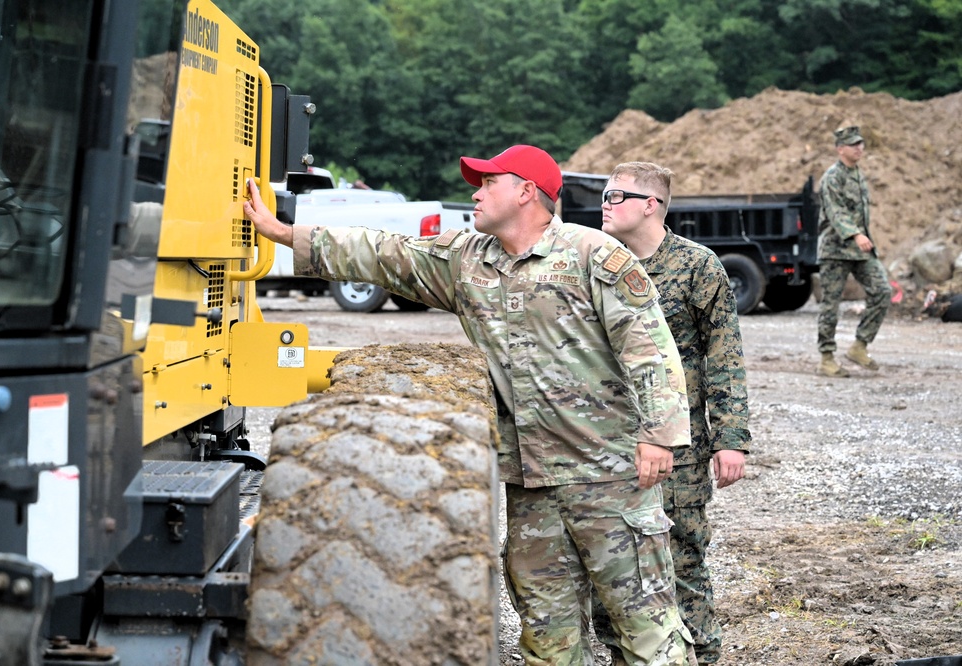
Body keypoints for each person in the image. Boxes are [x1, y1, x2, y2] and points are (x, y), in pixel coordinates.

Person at [243, 144, 696, 665]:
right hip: (531, 485)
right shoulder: (468, 259)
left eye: (487, 183)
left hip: (610, 475)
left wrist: (658, 436)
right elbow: (386, 252)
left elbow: (650, 349)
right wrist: (285, 236)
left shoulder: (595, 255)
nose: (475, 194)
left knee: (646, 628)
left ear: (527, 192)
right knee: (548, 635)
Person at [586, 162, 750, 665]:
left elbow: (723, 354)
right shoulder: (595, 263)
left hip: (680, 446)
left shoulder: (697, 266)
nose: (605, 204)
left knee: (682, 558)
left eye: (617, 196)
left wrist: (731, 439)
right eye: (605, 195)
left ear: (651, 204)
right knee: (611, 564)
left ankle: (700, 655)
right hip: (608, 442)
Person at [816, 125, 892, 377]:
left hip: (860, 250)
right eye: (853, 144)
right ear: (840, 149)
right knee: (831, 305)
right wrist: (856, 234)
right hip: (835, 251)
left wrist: (863, 237)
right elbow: (836, 212)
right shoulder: (832, 177)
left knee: (882, 291)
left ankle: (859, 346)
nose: (860, 148)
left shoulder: (858, 174)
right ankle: (826, 358)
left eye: (861, 143)